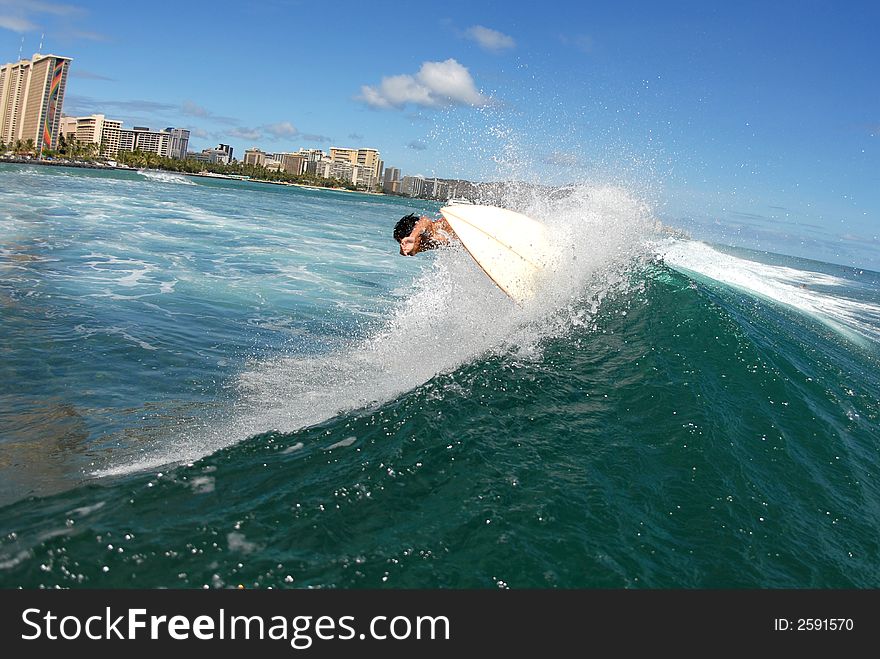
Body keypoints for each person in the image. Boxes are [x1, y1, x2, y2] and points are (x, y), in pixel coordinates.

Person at [393, 213, 458, 256]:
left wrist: (412, 236)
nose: (405, 247)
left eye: (406, 243)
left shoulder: (431, 234)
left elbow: (425, 221)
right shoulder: (421, 246)